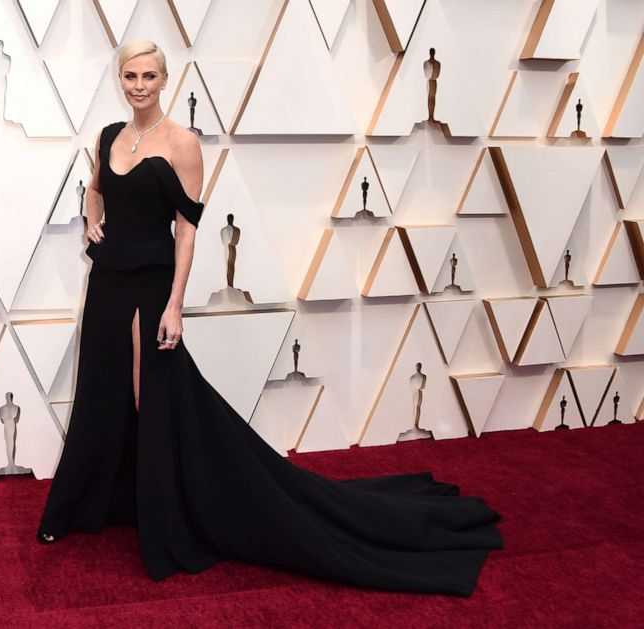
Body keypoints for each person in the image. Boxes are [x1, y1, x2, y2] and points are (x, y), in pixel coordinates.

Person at [36, 40, 503, 597]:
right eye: (130, 76)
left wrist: (176, 305)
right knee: (101, 393)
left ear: (166, 80)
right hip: (108, 283)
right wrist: (93, 224)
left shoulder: (183, 145)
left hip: (151, 288)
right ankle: (88, 503)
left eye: (149, 76)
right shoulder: (109, 137)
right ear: (121, 78)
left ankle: (168, 515)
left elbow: (187, 232)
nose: (139, 85)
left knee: (150, 397)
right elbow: (95, 190)